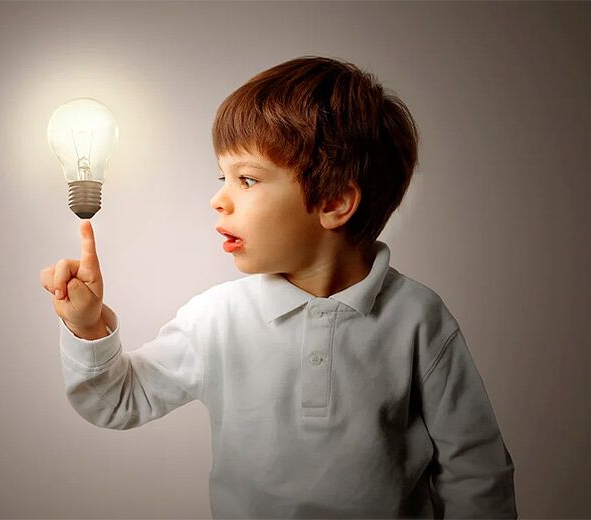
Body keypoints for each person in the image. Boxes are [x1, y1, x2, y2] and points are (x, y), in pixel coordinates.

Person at [40, 56, 517, 519]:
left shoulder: (417, 317)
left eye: (246, 179)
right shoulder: (217, 319)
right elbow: (120, 401)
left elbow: (476, 470)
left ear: (334, 202)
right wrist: (87, 327)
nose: (218, 199)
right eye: (222, 177)